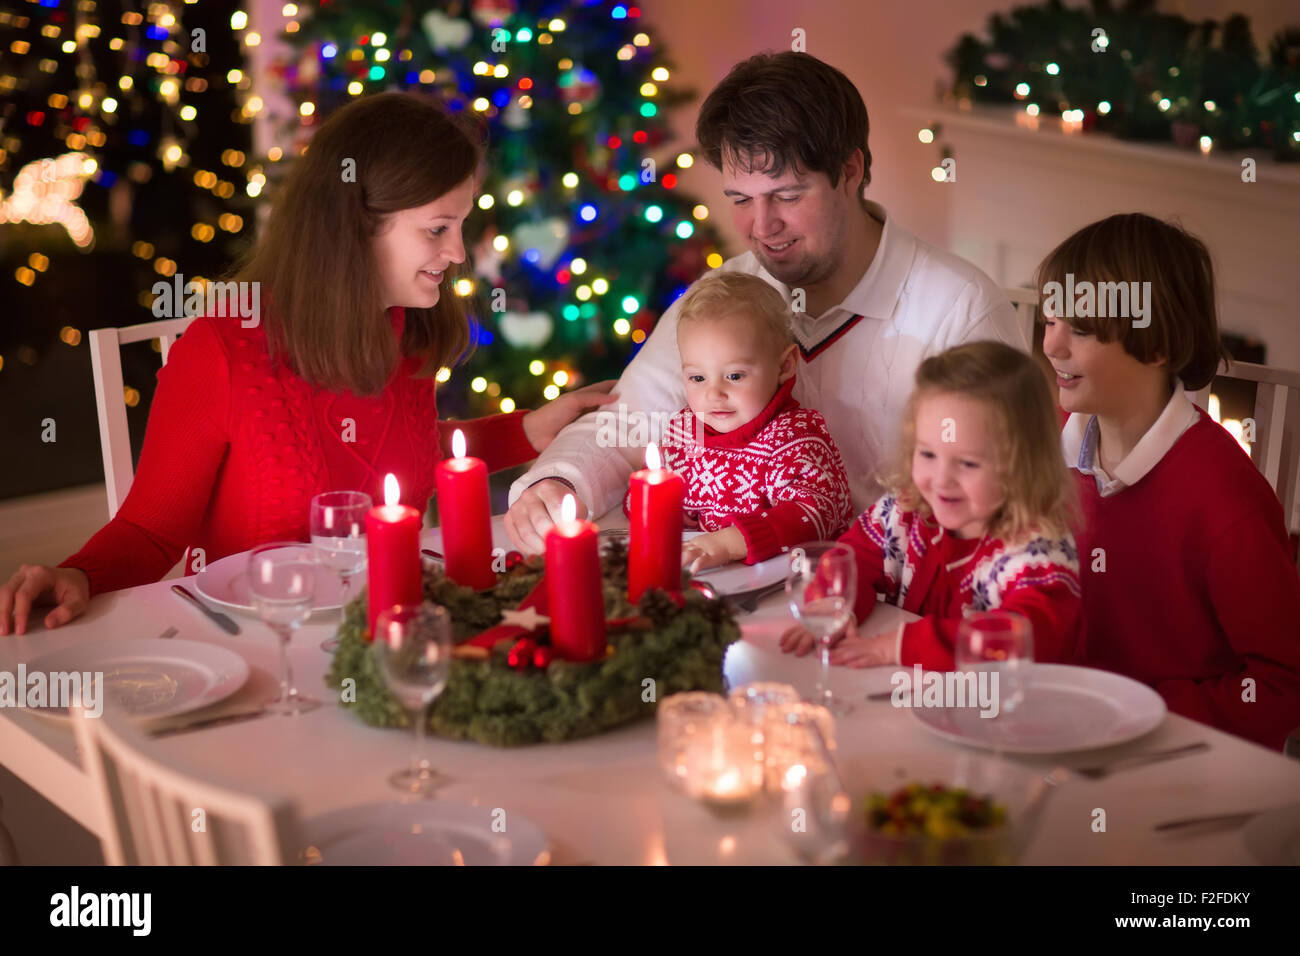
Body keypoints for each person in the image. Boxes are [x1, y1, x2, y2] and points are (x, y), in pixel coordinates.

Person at [0, 92, 613, 636]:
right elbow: (152, 532)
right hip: (266, 648)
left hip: (384, 636)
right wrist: (76, 573)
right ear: (357, 226)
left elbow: (405, 451)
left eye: (460, 225)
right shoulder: (226, 348)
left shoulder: (409, 332)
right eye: (437, 229)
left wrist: (531, 429)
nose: (457, 252)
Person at [505, 51, 1026, 553]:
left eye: (788, 196)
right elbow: (626, 425)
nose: (762, 227)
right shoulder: (724, 296)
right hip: (736, 595)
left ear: (850, 171)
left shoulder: (960, 310)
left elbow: (1010, 511)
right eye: (740, 200)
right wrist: (556, 483)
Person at [1041, 213, 1300, 750]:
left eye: (1081, 330)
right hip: (1063, 733)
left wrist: (1142, 716)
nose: (1052, 346)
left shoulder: (1226, 504)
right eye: (1050, 321)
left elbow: (1283, 685)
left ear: (1156, 348)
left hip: (1170, 767)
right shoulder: (1057, 445)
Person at [780, 341, 1081, 670]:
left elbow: (1018, 639)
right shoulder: (906, 512)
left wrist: (899, 646)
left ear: (1023, 466)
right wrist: (835, 606)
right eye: (927, 454)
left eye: (967, 463)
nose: (941, 479)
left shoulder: (1036, 555)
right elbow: (851, 560)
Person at [624, 272, 853, 572]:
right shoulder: (685, 431)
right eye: (697, 378)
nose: (714, 393)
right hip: (714, 578)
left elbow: (816, 511)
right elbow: (646, 487)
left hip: (794, 583)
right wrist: (660, 508)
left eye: (734, 376)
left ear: (785, 365)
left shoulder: (794, 437)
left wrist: (729, 543)